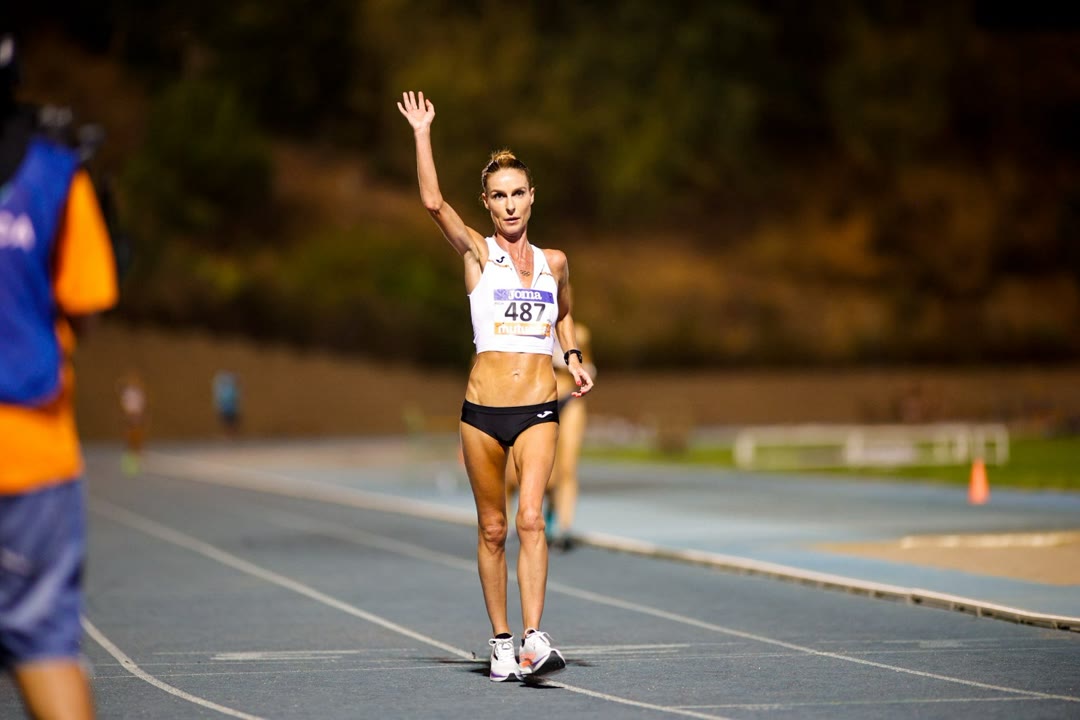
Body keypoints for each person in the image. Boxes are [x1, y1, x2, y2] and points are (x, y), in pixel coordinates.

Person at [398, 90, 594, 683]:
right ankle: (502, 642)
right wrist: (422, 133)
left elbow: (563, 315)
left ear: (533, 197)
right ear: (486, 203)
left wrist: (572, 356)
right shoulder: (478, 255)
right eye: (499, 196)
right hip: (482, 412)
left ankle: (534, 638)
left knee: (531, 518)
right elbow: (432, 202)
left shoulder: (556, 262)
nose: (510, 205)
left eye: (518, 193)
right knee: (493, 528)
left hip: (538, 407)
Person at [0, 31, 118, 720]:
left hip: (32, 453)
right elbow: (87, 304)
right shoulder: (52, 172)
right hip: (29, 451)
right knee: (46, 651)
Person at [506, 323, 596, 551]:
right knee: (521, 472)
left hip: (569, 399)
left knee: (567, 467)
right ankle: (516, 517)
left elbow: (589, 366)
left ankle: (564, 527)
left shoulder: (579, 333)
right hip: (537, 398)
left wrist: (572, 363)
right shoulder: (529, 324)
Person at [116, 371, 148, 475]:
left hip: (136, 415)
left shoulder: (137, 392)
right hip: (130, 416)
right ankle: (130, 462)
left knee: (137, 438)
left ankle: (137, 459)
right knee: (129, 439)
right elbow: (125, 403)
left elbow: (141, 403)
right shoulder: (128, 392)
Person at [212, 370, 241, 437]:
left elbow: (236, 400)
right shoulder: (224, 391)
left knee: (232, 422)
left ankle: (232, 434)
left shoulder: (233, 390)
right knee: (226, 422)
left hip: (232, 409)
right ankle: (228, 435)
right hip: (226, 409)